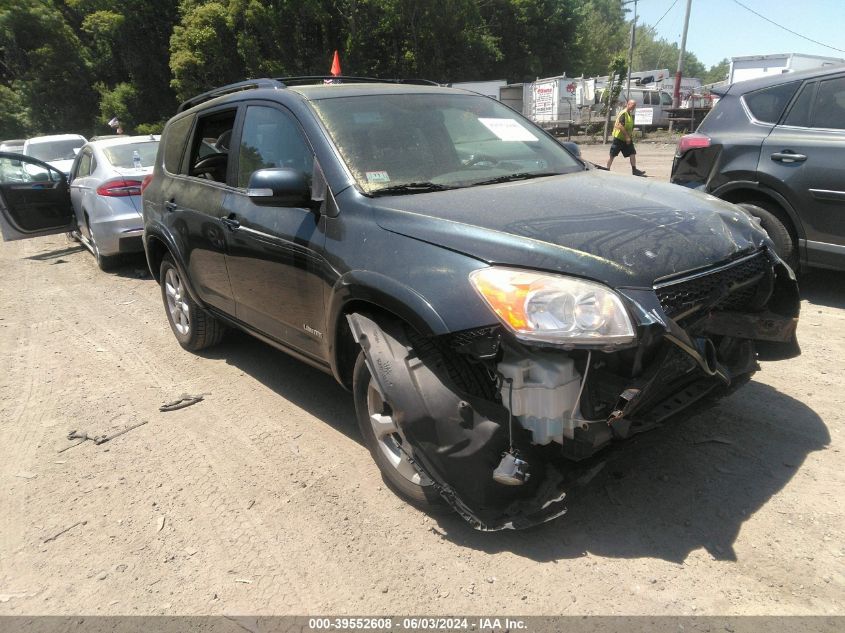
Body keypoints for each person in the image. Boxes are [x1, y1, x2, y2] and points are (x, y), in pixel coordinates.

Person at [607, 99, 646, 176]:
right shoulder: (624, 113)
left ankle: (634, 170)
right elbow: (620, 126)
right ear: (628, 104)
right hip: (619, 138)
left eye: (635, 106)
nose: (634, 107)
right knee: (612, 155)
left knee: (632, 153)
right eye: (632, 105)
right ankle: (607, 169)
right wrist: (627, 137)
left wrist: (629, 137)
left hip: (627, 139)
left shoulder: (629, 114)